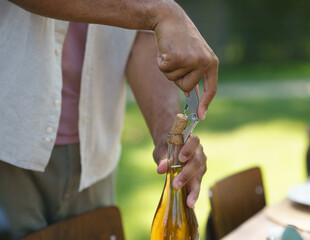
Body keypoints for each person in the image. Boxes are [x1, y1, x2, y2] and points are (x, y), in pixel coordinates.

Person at [0, 0, 218, 239]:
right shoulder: (155, 9)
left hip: (96, 154)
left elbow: (141, 37)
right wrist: (158, 12)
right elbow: (151, 17)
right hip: (8, 143)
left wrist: (169, 139)